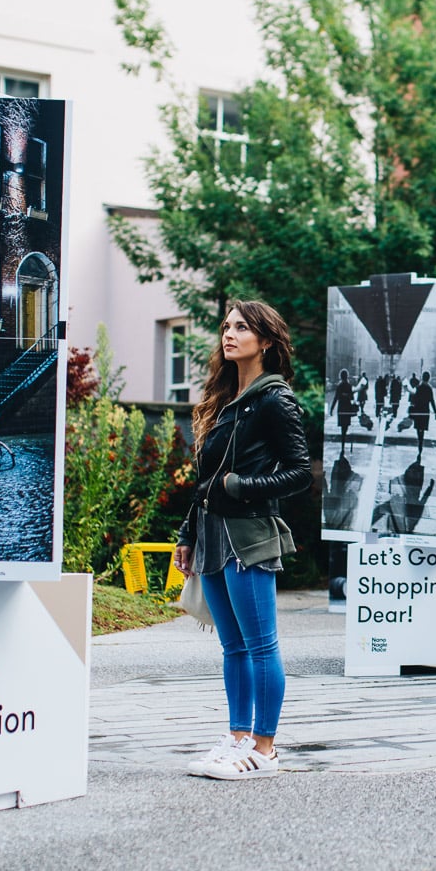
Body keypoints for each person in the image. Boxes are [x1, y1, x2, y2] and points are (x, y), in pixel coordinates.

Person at [174, 299, 311, 780]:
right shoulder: (226, 400)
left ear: (266, 340)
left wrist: (240, 487)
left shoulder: (276, 399)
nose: (229, 334)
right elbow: (203, 480)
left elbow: (299, 474)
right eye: (227, 326)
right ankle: (237, 739)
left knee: (260, 645)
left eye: (242, 328)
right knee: (233, 647)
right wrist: (187, 533)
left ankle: (266, 749)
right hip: (211, 536)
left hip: (248, 536)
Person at [408, 370, 436, 451]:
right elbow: (432, 401)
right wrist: (435, 412)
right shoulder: (429, 388)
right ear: (428, 379)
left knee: (418, 428)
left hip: (418, 411)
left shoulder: (418, 387)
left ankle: (419, 441)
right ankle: (421, 441)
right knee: (422, 428)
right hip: (425, 412)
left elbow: (414, 400)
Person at [330, 369, 358, 457]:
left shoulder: (339, 386)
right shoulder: (349, 386)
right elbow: (352, 398)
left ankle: (342, 445)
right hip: (347, 409)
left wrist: (331, 409)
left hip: (341, 409)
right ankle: (343, 442)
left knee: (342, 428)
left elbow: (336, 398)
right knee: (345, 427)